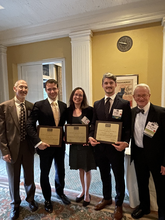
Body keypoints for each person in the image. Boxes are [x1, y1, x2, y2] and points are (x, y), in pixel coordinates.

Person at [89, 73, 131, 220]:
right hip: (100, 148)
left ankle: (118, 204)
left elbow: (127, 128)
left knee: (119, 176)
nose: (108, 86)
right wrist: (90, 136)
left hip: (116, 148)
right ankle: (106, 198)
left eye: (111, 83)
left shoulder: (124, 104)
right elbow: (93, 123)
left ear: (115, 85)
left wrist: (125, 142)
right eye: (106, 83)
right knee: (104, 174)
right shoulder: (97, 104)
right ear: (102, 85)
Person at [26, 79, 70, 213]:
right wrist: (38, 142)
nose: (52, 91)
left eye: (54, 88)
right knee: (44, 173)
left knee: (60, 170)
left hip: (60, 145)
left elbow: (69, 125)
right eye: (49, 89)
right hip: (44, 145)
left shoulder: (63, 105)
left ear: (58, 89)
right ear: (46, 90)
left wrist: (67, 136)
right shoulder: (39, 105)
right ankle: (47, 199)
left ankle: (60, 192)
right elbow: (29, 124)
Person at [0, 80, 38, 220]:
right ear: (14, 88)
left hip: (27, 147)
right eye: (21, 87)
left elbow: (33, 128)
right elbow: (1, 132)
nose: (23, 89)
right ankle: (15, 204)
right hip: (11, 149)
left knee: (29, 176)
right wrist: (4, 151)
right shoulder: (4, 107)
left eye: (26, 87)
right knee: (13, 178)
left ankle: (30, 200)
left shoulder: (31, 106)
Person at [131, 83, 165, 220]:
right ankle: (144, 207)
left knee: (161, 187)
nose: (141, 98)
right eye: (138, 95)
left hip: (157, 157)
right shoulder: (132, 112)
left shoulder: (161, 113)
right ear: (134, 97)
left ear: (149, 96)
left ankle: (163, 213)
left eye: (144, 95)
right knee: (142, 183)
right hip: (139, 154)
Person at [66, 87, 96, 207]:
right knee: (80, 168)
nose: (77, 97)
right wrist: (66, 137)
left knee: (87, 168)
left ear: (83, 98)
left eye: (80, 95)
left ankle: (87, 193)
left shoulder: (89, 110)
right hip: (75, 145)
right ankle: (82, 190)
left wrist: (89, 137)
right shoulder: (68, 110)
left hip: (86, 144)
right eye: (76, 94)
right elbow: (66, 126)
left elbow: (92, 125)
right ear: (72, 96)